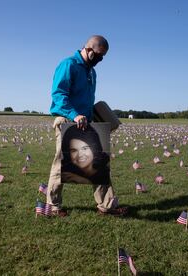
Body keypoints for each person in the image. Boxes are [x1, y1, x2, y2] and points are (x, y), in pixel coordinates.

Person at [47, 35, 127, 217]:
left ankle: (107, 206)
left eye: (103, 57)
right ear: (89, 49)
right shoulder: (69, 65)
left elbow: (86, 100)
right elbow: (58, 96)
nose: (100, 60)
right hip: (68, 120)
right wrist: (75, 115)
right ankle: (53, 208)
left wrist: (99, 117)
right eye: (99, 55)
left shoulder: (92, 72)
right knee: (62, 165)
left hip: (86, 122)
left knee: (98, 163)